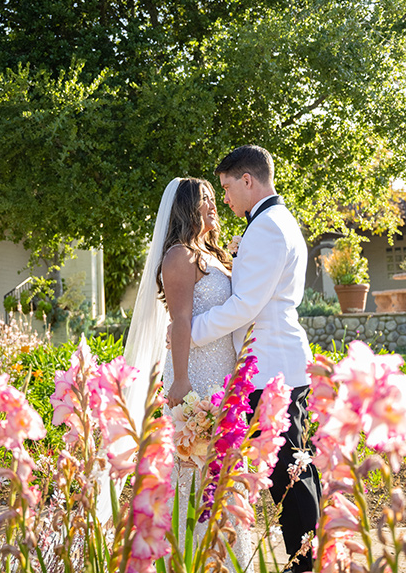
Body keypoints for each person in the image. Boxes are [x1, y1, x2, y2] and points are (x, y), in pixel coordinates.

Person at [189, 145, 321, 573]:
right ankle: (306, 559)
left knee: (289, 471)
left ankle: (306, 563)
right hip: (275, 360)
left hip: (272, 364)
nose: (225, 198)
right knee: (291, 465)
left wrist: (189, 334)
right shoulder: (272, 221)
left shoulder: (266, 227)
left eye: (227, 187)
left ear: (248, 180)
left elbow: (246, 304)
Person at [123, 176, 253, 572]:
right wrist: (180, 381)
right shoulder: (178, 256)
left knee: (225, 474)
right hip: (194, 379)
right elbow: (180, 320)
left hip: (225, 379)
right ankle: (190, 561)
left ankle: (227, 559)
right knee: (192, 474)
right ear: (186, 208)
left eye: (216, 198)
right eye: (206, 200)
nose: (214, 205)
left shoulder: (213, 255)